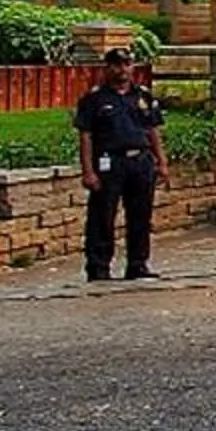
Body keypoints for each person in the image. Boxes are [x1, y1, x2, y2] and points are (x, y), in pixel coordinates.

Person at [73, 47, 168, 281]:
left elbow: (153, 130)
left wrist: (162, 163)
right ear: (107, 68)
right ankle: (98, 266)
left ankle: (138, 264)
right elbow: (86, 136)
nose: (122, 70)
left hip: (140, 161)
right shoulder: (94, 99)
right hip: (110, 163)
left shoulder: (143, 96)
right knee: (103, 216)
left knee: (140, 216)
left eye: (126, 65)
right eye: (116, 65)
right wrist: (88, 171)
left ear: (132, 67)